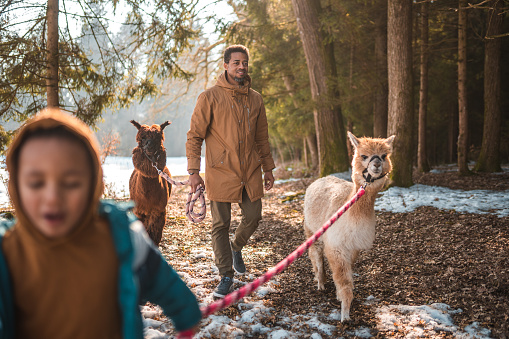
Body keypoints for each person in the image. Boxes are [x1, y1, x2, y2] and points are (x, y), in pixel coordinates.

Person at [0, 109, 201, 339]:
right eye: (36, 183)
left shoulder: (120, 235)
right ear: (16, 187)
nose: (53, 197)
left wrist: (186, 312)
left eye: (71, 182)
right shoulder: (7, 251)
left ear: (92, 183)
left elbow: (162, 280)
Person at [186, 44, 276, 298]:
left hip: (250, 170)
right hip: (220, 170)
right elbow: (194, 136)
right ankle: (225, 275)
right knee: (220, 224)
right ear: (225, 65)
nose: (241, 67)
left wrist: (268, 168)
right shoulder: (209, 97)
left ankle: (236, 246)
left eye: (244, 63)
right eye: (236, 62)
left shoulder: (256, 99)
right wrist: (193, 170)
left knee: (254, 215)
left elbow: (262, 138)